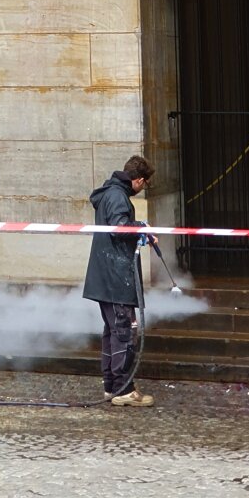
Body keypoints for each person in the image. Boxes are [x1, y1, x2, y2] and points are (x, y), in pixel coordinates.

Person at [83, 155, 158, 407]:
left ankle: (112, 386)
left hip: (107, 277)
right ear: (139, 180)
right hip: (115, 278)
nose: (143, 188)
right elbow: (120, 227)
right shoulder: (117, 196)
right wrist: (141, 227)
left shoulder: (110, 193)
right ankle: (123, 389)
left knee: (113, 332)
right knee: (124, 332)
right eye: (145, 184)